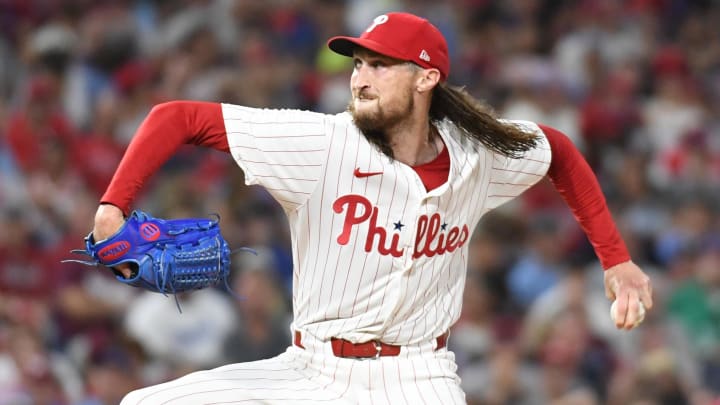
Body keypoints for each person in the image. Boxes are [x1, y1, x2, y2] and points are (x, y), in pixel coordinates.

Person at [89, 12, 653, 404]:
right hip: (310, 370)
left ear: (426, 77)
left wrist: (616, 260)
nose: (359, 78)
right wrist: (113, 209)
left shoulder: (476, 155)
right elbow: (176, 117)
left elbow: (557, 150)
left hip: (419, 376)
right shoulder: (320, 143)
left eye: (380, 65)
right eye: (358, 64)